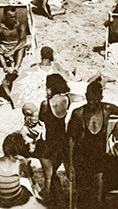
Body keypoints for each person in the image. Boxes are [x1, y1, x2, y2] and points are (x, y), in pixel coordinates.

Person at [67, 79, 118, 209]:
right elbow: (71, 139)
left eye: (96, 100)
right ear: (86, 96)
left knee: (98, 198)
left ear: (101, 97)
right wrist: (70, 165)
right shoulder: (78, 113)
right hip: (81, 158)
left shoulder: (107, 109)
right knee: (83, 196)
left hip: (99, 157)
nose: (92, 103)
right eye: (89, 99)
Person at [37, 74, 73, 205]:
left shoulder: (46, 104)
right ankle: (59, 199)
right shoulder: (67, 99)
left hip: (49, 143)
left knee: (48, 176)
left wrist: (48, 96)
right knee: (54, 174)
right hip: (63, 142)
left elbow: (41, 119)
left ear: (50, 88)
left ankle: (47, 201)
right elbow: (78, 96)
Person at [0, 133, 34, 208]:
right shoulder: (20, 163)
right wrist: (27, 163)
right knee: (26, 189)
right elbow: (30, 174)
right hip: (16, 199)